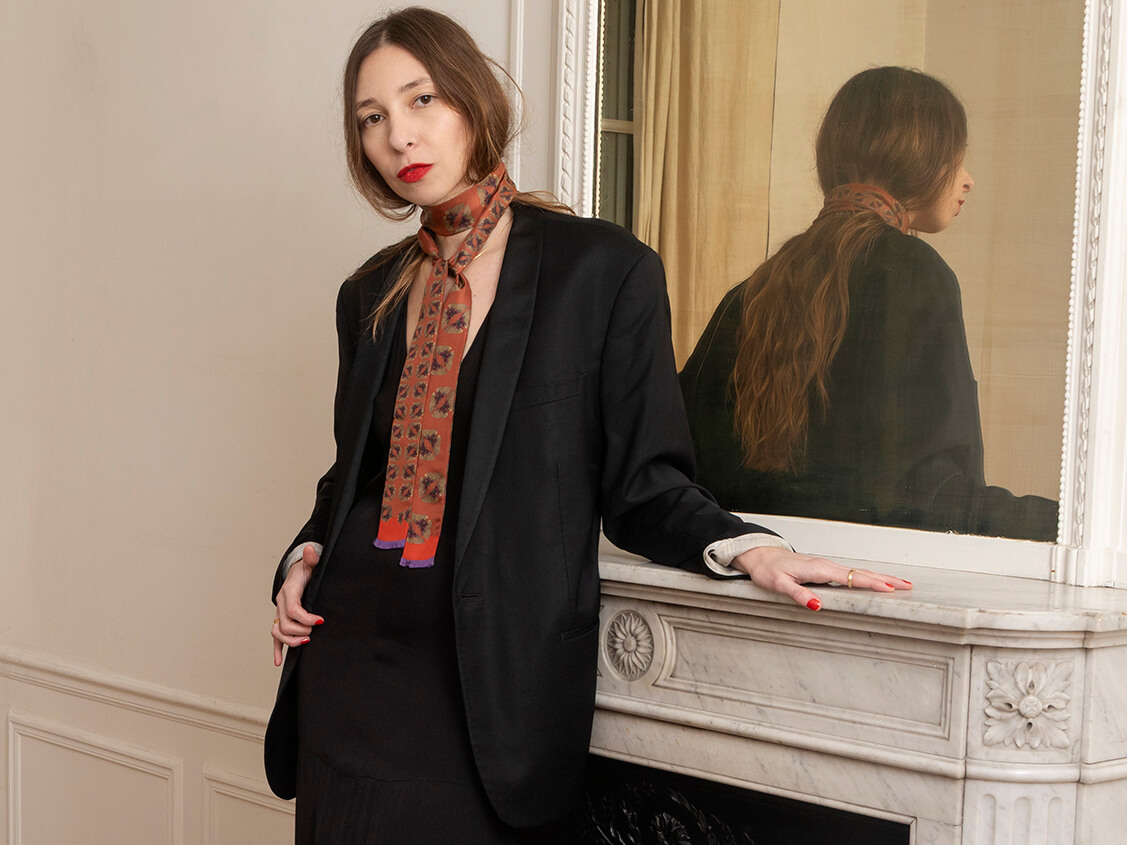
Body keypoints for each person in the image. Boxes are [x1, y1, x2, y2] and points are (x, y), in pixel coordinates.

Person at [265, 10, 911, 843]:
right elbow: (352, 476)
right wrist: (302, 555)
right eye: (372, 118)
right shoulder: (370, 295)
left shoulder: (600, 273)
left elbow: (643, 483)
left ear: (472, 100)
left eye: (421, 99)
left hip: (487, 686)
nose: (399, 135)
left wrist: (753, 547)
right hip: (348, 666)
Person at [680, 66, 1058, 542]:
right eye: (956, 160)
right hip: (871, 584)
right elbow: (926, 496)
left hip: (754, 580)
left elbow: (688, 471)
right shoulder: (917, 275)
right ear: (916, 158)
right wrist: (1076, 525)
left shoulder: (751, 291)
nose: (968, 181)